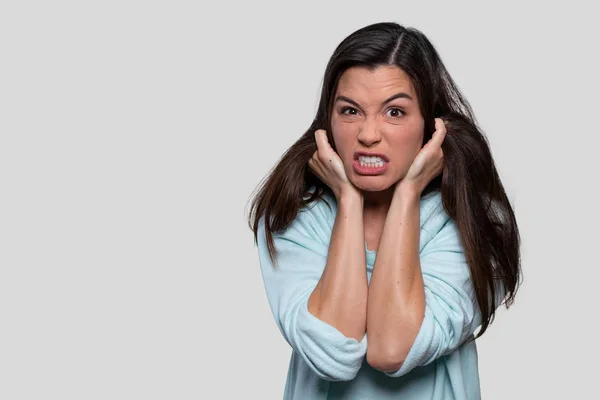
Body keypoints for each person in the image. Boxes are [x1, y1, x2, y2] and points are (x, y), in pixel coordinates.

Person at [246, 21, 521, 400]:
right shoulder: (293, 213)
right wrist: (349, 199)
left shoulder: (473, 218)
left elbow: (393, 349)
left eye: (394, 112)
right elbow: (332, 354)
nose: (368, 134)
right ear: (328, 121)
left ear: (431, 125)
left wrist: (408, 192)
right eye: (350, 111)